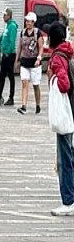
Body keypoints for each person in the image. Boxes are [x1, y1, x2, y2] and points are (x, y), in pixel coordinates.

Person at [47, 22, 74, 217]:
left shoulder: (57, 58)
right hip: (72, 108)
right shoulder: (68, 52)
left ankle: (68, 200)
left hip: (65, 112)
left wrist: (53, 78)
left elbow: (64, 84)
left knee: (64, 157)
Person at [17, 11, 44, 115]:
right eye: (27, 21)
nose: (27, 23)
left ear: (33, 22)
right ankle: (23, 106)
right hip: (24, 62)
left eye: (29, 21)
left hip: (34, 64)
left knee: (35, 85)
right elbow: (20, 46)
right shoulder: (22, 32)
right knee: (24, 83)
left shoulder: (38, 33)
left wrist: (39, 58)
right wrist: (17, 59)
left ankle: (38, 104)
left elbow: (41, 47)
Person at [0, 8, 18, 106]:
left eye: (5, 15)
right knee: (2, 76)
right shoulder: (7, 26)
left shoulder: (12, 26)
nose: (3, 17)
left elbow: (12, 41)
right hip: (4, 53)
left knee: (10, 76)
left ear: (9, 16)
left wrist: (8, 52)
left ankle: (11, 97)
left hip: (9, 55)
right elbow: (3, 36)